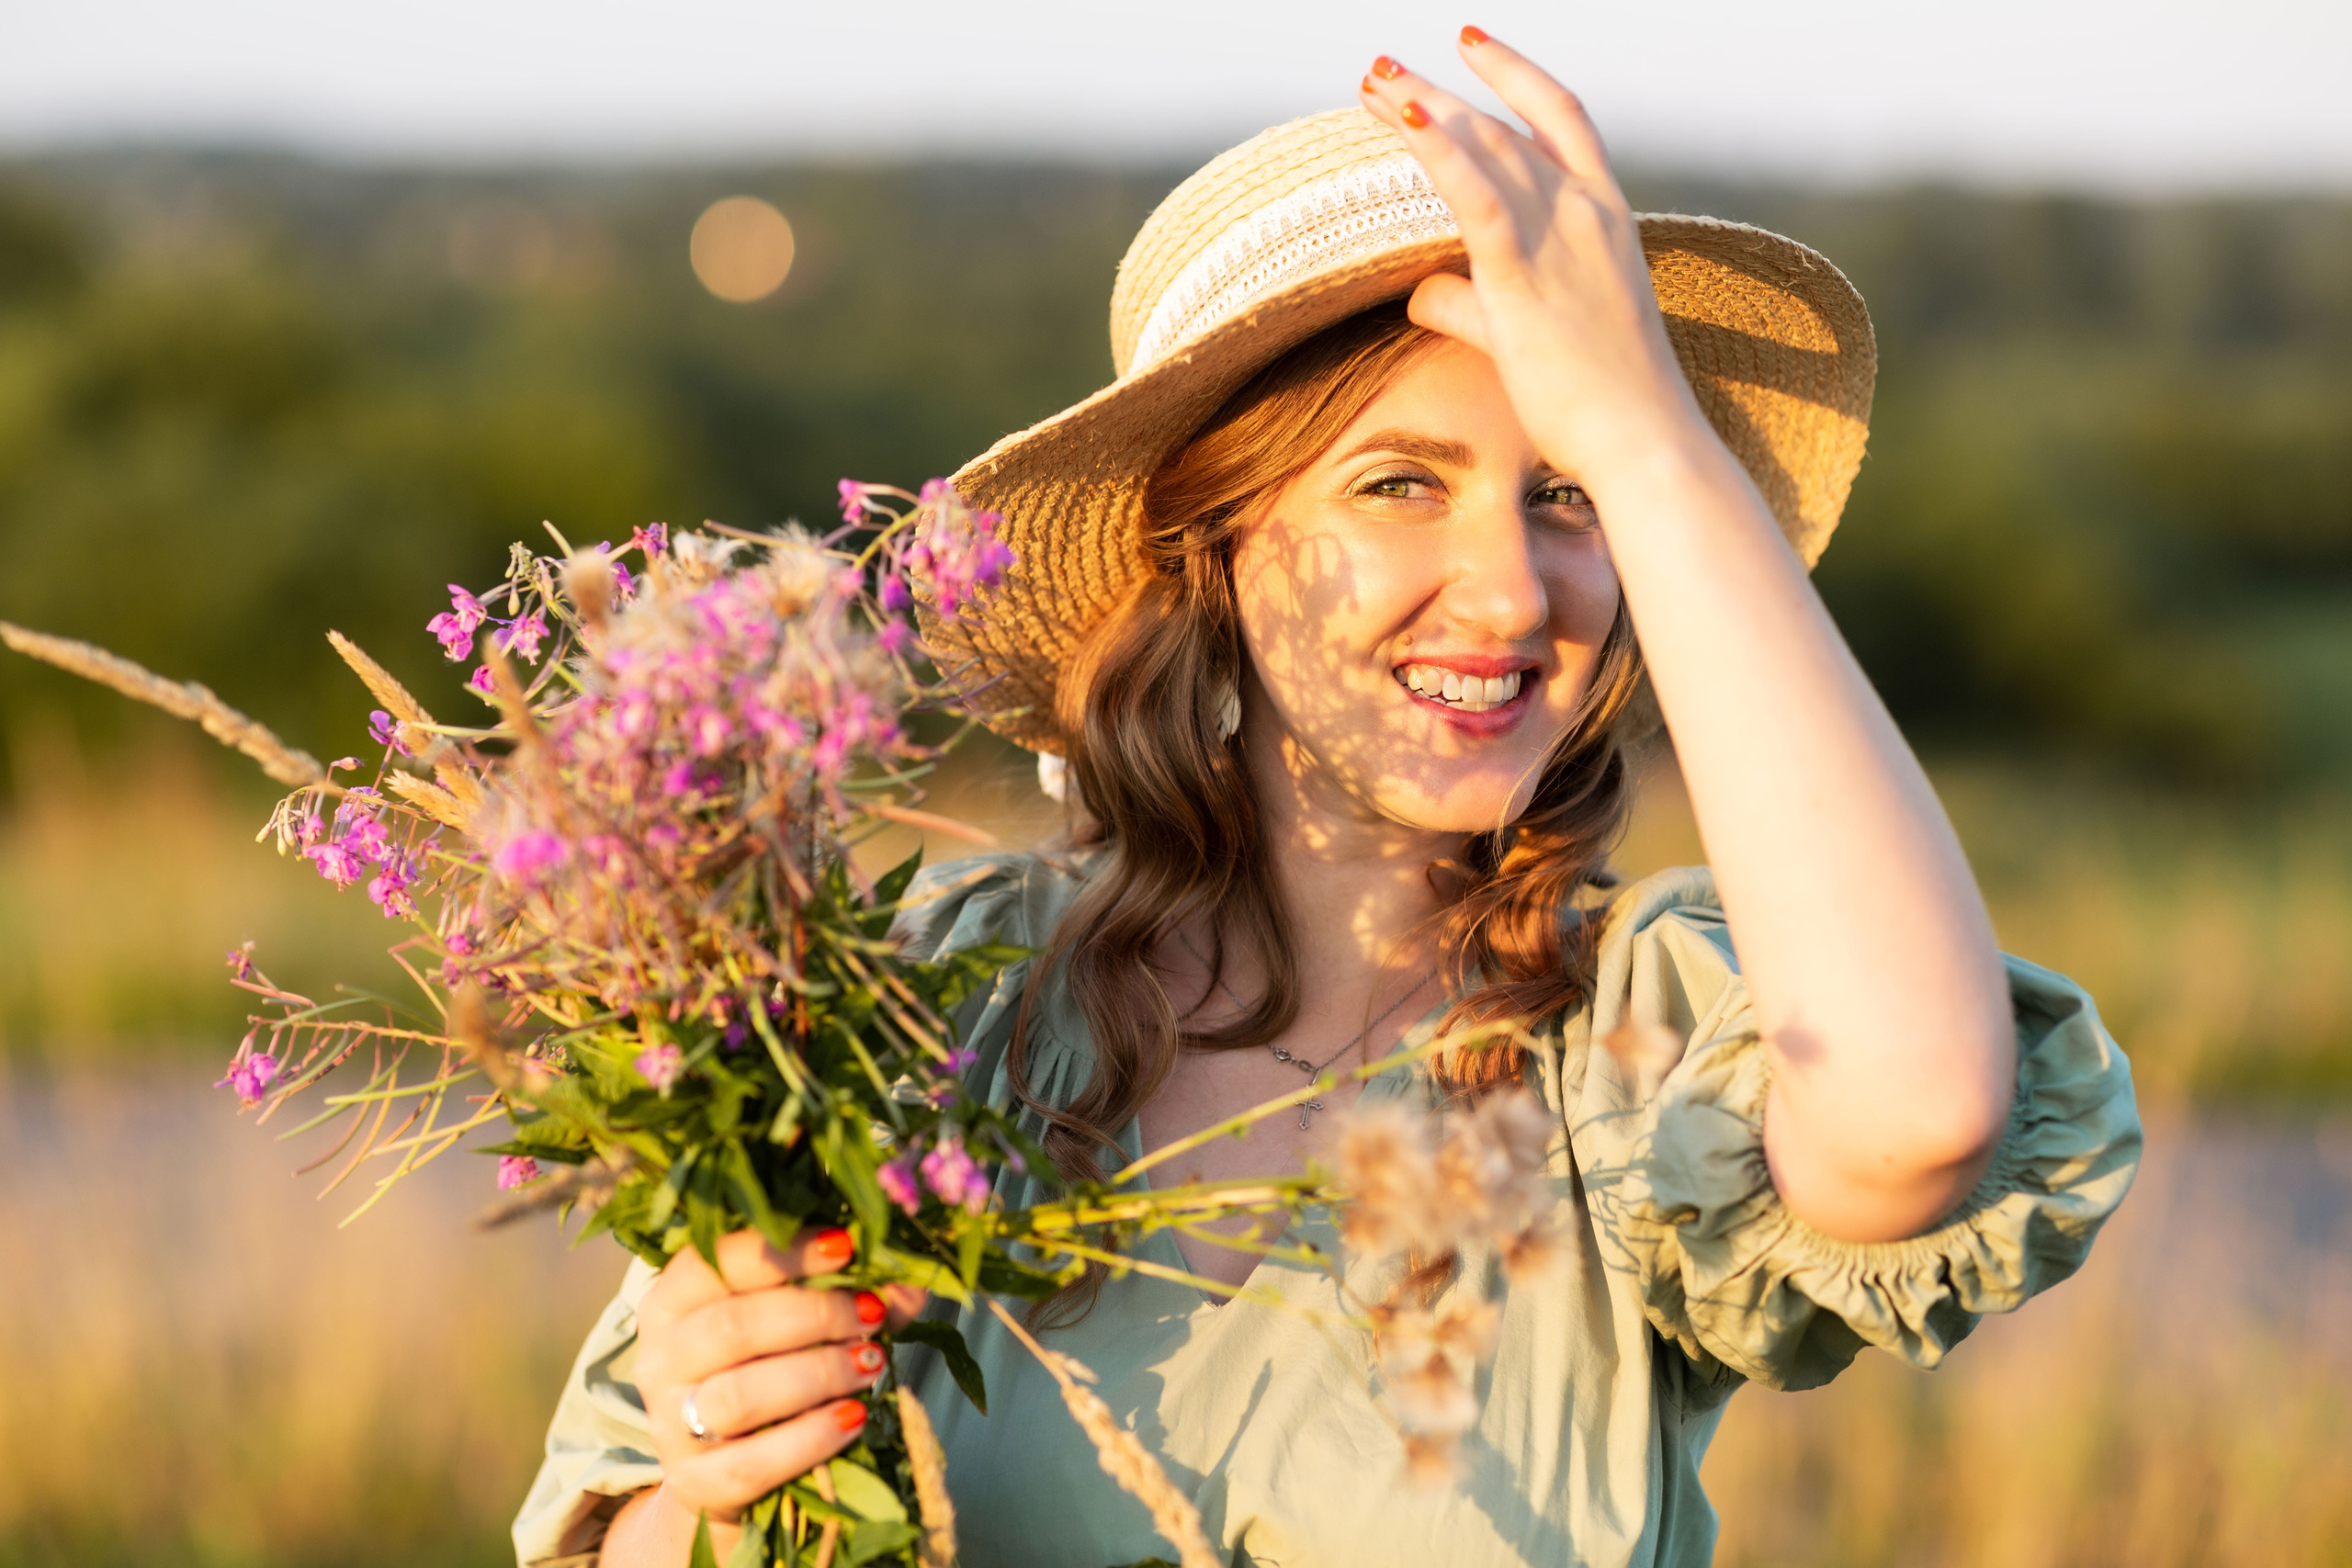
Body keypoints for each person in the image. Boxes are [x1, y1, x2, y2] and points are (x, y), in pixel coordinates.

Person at [515, 30, 2141, 1568]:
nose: (1512, 594)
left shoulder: (1627, 1054)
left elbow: (1922, 1107)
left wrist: (1652, 438)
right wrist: (721, 1472)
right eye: (1400, 484)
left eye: (1564, 495)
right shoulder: (929, 1013)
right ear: (1206, 549)